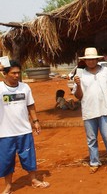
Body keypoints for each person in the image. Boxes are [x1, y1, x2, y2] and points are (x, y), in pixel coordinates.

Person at [0, 61, 50, 193]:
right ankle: (8, 186)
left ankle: (34, 180)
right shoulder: (0, 88)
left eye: (18, 72)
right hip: (5, 133)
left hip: (24, 130)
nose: (17, 75)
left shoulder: (25, 87)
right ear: (5, 73)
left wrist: (36, 121)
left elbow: (30, 105)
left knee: (29, 157)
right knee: (7, 160)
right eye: (13, 73)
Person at [73, 47, 107, 174]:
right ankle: (94, 161)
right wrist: (78, 84)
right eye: (88, 60)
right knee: (91, 139)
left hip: (104, 110)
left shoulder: (106, 71)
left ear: (97, 59)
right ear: (85, 61)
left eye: (93, 59)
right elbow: (78, 96)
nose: (90, 62)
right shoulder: (80, 74)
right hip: (89, 111)